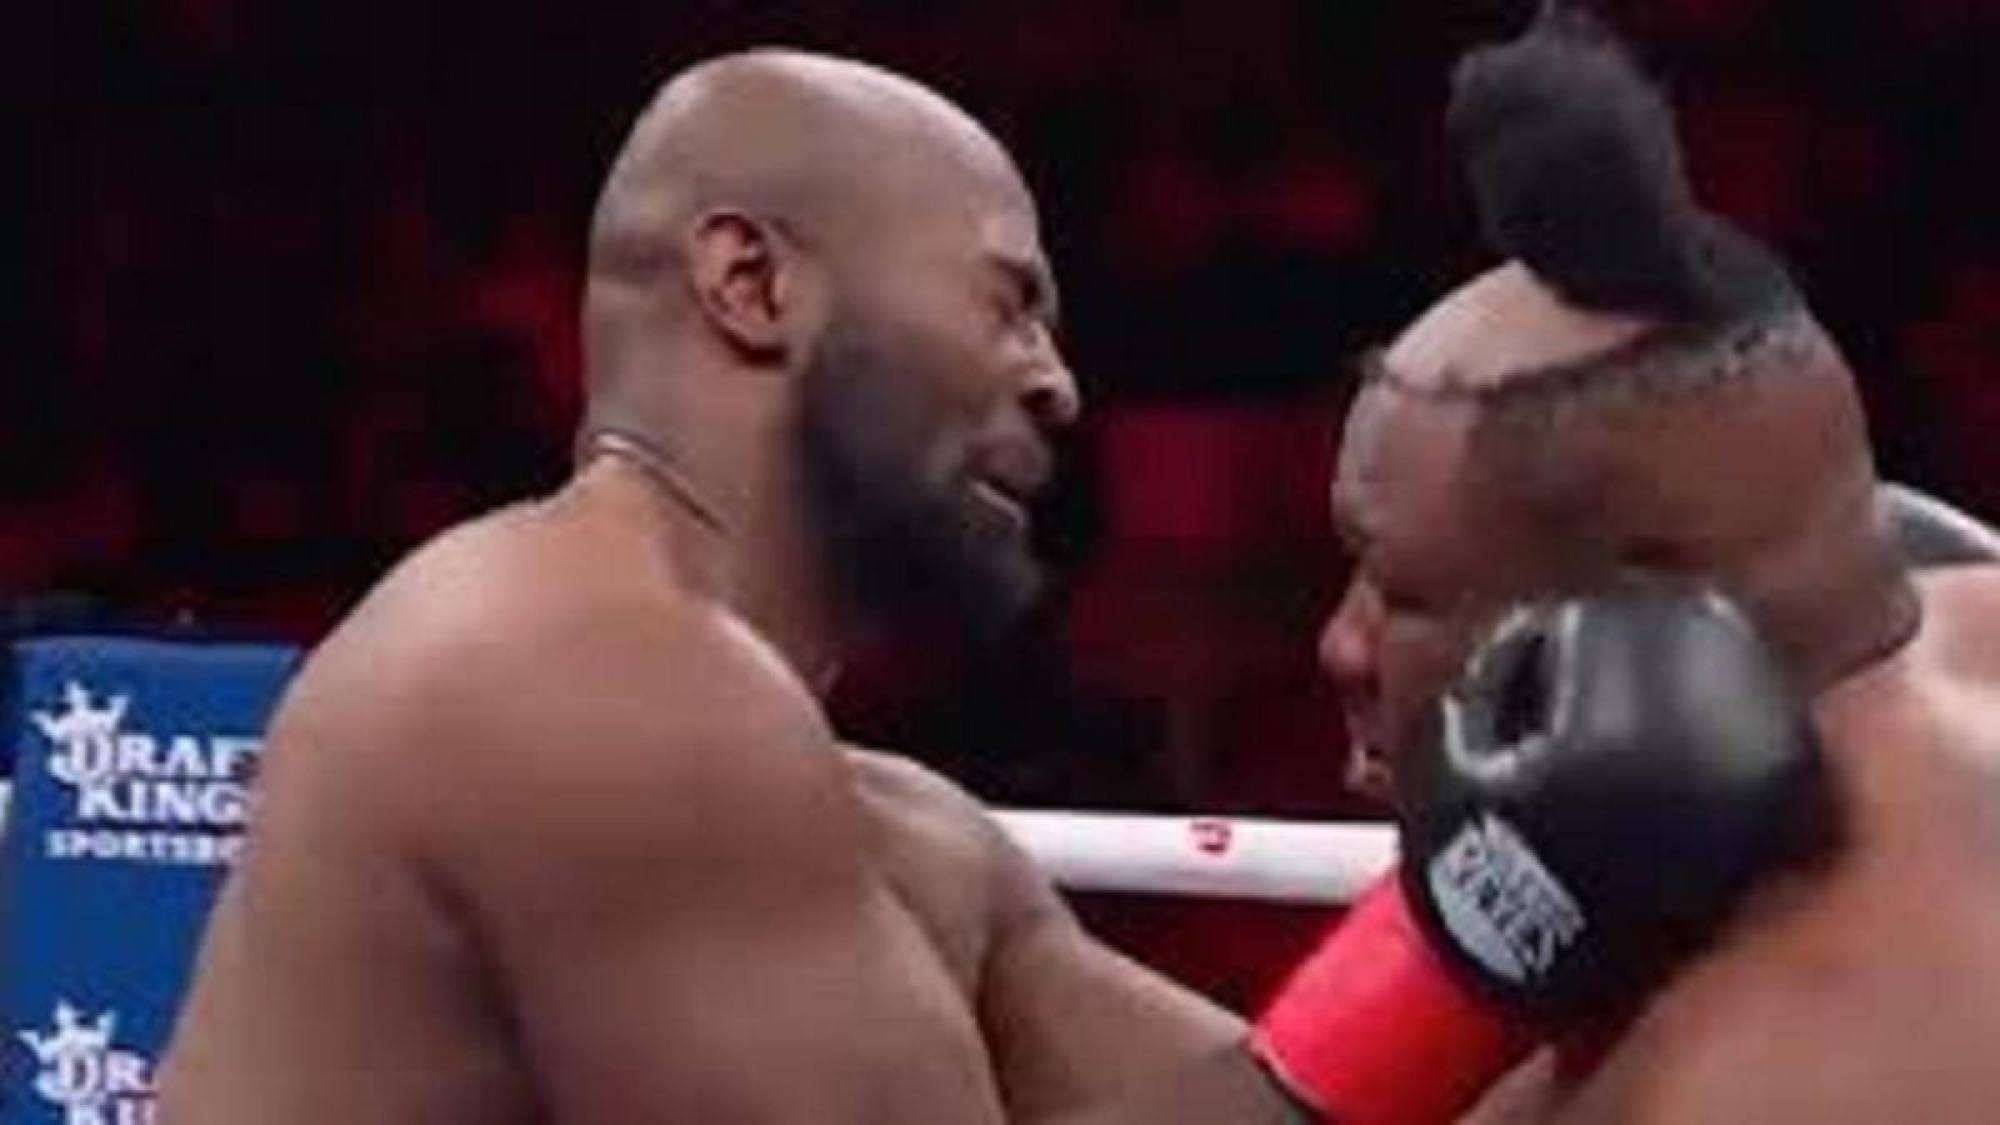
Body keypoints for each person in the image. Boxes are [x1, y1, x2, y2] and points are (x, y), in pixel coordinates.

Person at [159, 48, 1821, 1125]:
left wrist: (1514, 929)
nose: (1058, 383)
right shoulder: (576, 681)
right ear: (751, 282)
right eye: (1007, 300)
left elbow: (1289, 1100)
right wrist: (1470, 938)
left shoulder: (889, 834)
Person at [1315, 10, 2000, 1121]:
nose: (1339, 646)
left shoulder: (1748, 1073)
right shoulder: (1956, 622)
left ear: (1633, 622)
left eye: (1400, 592)